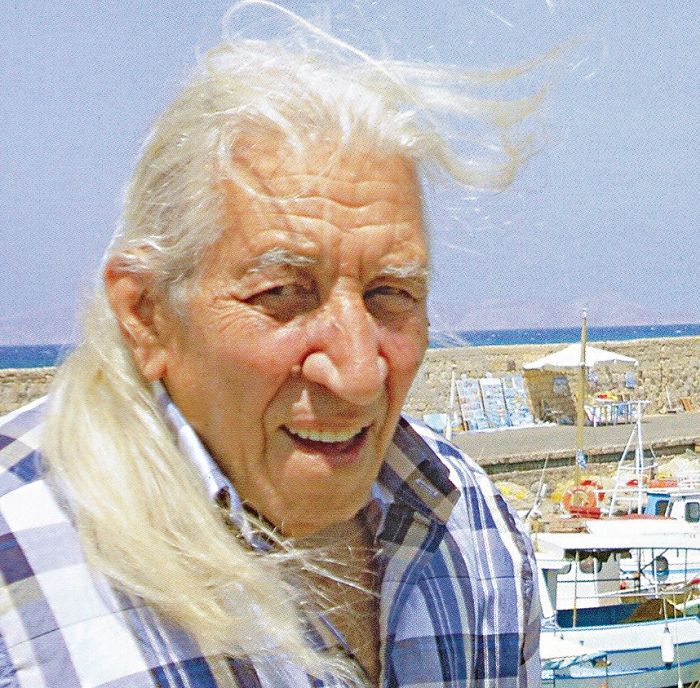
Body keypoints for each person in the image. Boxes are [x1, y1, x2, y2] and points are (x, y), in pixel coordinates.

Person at [0, 3, 541, 686]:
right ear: (147, 316)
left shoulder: (473, 532)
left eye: (389, 294)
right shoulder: (23, 577)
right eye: (283, 294)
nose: (356, 372)